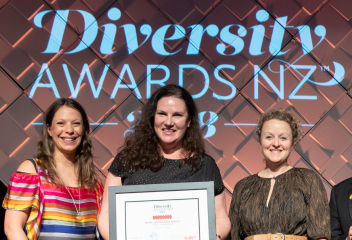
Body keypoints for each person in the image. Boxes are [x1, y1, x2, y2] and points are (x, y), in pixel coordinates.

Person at [98, 84, 230, 239]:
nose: (168, 122)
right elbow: (106, 217)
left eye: (177, 115)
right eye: (162, 113)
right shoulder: (128, 160)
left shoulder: (205, 165)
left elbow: (221, 218)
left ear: (189, 121)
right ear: (153, 117)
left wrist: (213, 236)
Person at [3, 98, 103, 240]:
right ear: (49, 129)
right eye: (61, 123)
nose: (69, 130)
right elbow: (12, 228)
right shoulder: (32, 171)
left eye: (76, 124)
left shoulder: (94, 184)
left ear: (85, 129)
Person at [229, 109, 330, 240]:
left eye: (283, 138)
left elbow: (320, 235)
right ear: (260, 140)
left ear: (292, 142)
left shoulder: (309, 179)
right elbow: (233, 236)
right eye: (269, 137)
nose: (276, 144)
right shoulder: (242, 187)